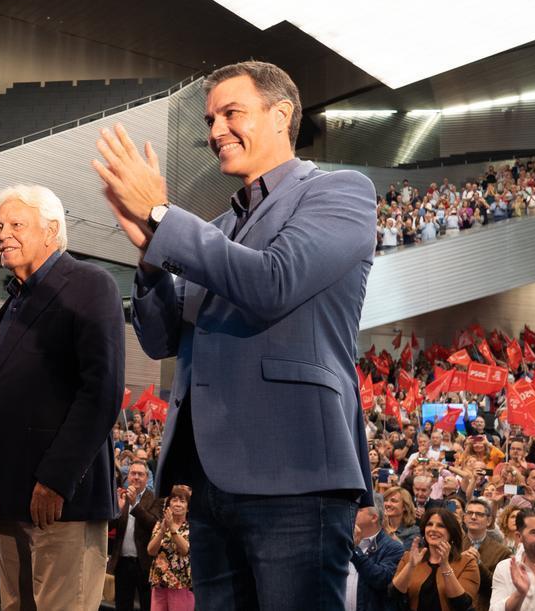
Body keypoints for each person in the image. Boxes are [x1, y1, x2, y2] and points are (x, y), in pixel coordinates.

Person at [94, 60, 376, 609]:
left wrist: (161, 213)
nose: (215, 130)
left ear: (282, 116)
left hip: (296, 475)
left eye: (231, 113)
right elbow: (162, 341)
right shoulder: (215, 231)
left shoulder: (341, 192)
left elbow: (273, 282)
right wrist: (150, 258)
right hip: (210, 481)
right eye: (210, 119)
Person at [0, 184, 125, 611]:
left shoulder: (89, 285)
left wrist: (57, 478)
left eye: (16, 224)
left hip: (60, 505)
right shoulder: (10, 307)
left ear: (52, 231)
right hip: (7, 503)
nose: (1, 234)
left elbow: (103, 390)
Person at [390, 508, 480, 610]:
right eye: (429, 524)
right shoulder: (410, 557)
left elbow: (462, 604)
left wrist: (445, 566)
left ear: (451, 532)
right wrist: (411, 566)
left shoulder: (467, 562)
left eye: (440, 526)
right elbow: (394, 595)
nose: (433, 529)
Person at [110, 461, 163, 611]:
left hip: (144, 564)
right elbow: (108, 527)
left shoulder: (155, 498)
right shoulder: (120, 496)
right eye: (133, 473)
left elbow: (154, 526)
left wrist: (134, 505)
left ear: (147, 478)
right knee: (122, 605)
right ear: (128, 477)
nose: (136, 477)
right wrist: (118, 511)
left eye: (140, 474)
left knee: (146, 606)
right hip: (122, 563)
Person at [349, 493, 405, 611]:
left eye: (358, 509)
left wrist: (355, 551)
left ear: (374, 517)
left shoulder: (394, 548)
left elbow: (381, 580)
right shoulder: (339, 542)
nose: (351, 511)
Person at [147, 485, 193, 611]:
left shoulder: (191, 527)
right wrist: (162, 530)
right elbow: (151, 551)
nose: (178, 504)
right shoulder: (159, 524)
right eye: (174, 500)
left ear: (188, 508)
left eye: (182, 501)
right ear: (169, 504)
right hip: (159, 583)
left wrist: (172, 528)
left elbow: (185, 550)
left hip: (181, 585)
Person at [464, 498, 512, 611]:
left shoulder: (502, 552)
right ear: (464, 518)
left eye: (479, 514)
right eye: (470, 513)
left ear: (489, 521)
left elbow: (497, 587)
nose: (473, 517)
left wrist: (479, 564)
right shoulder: (453, 546)